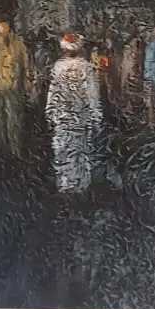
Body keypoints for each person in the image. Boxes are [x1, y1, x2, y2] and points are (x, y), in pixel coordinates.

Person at [45, 33, 104, 195]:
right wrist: (96, 117)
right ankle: (80, 186)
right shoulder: (86, 67)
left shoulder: (58, 67)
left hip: (62, 117)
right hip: (80, 117)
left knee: (63, 149)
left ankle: (65, 184)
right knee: (80, 150)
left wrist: (50, 113)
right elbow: (92, 95)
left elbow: (53, 92)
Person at [0, 18, 31, 159]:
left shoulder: (18, 43)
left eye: (5, 25)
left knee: (14, 120)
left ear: (9, 26)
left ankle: (15, 150)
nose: (2, 28)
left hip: (14, 87)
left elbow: (26, 65)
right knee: (0, 120)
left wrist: (26, 83)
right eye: (0, 26)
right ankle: (3, 151)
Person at [119, 33, 144, 118]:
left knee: (131, 87)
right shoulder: (127, 50)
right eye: (133, 41)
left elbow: (138, 62)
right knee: (125, 86)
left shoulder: (137, 51)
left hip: (132, 71)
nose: (134, 43)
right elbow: (125, 62)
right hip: (127, 70)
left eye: (135, 42)